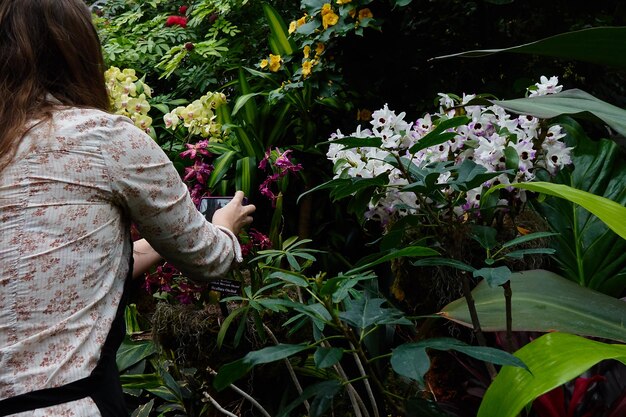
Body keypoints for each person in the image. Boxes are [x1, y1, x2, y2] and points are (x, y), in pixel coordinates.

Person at [0, 0, 256, 416]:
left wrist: (157, 244)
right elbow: (209, 259)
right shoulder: (102, 137)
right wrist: (223, 227)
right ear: (78, 50)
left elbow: (53, 266)